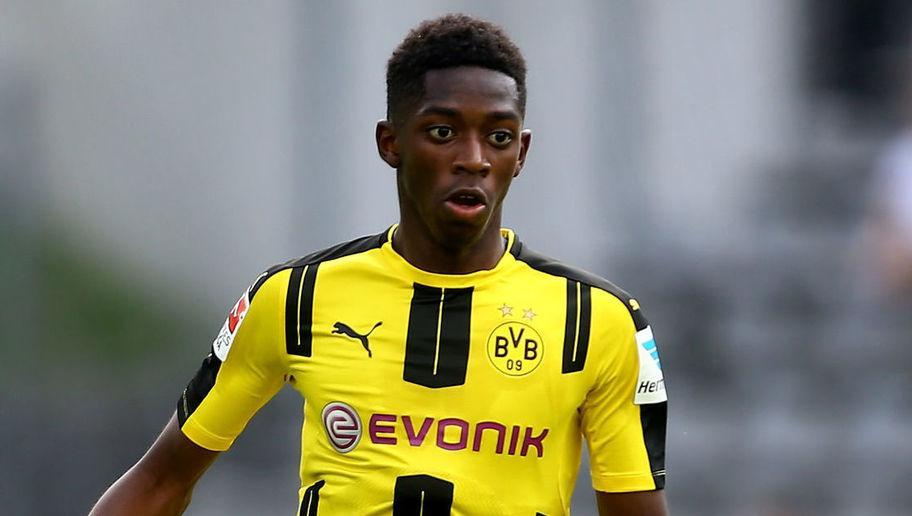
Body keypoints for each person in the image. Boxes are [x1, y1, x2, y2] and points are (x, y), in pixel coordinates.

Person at [90, 14, 668, 516]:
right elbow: (162, 479)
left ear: (520, 153)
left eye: (497, 136)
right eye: (442, 133)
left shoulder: (602, 321)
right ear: (391, 143)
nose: (472, 159)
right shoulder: (295, 299)